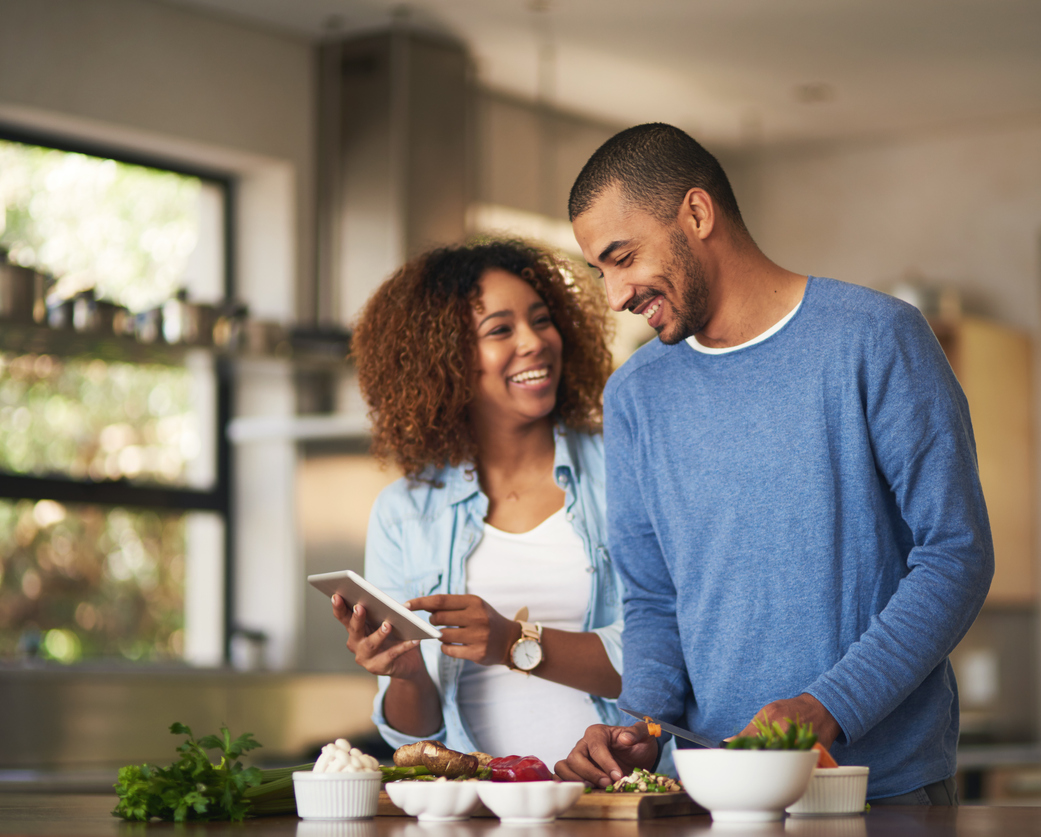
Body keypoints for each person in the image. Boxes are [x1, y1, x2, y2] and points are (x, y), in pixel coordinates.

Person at [553, 124, 994, 804]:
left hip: (877, 790)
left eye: (623, 256)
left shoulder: (876, 338)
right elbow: (653, 596)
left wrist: (828, 705)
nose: (614, 295)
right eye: (599, 271)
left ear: (697, 214)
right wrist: (638, 722)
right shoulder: (636, 394)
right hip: (707, 791)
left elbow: (955, 554)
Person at [334, 238, 622, 770]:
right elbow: (414, 740)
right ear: (443, 361)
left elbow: (662, 662)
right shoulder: (405, 513)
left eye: (541, 320)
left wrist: (514, 642)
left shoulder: (623, 470)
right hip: (481, 806)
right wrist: (404, 672)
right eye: (500, 330)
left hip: (619, 797)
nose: (535, 342)